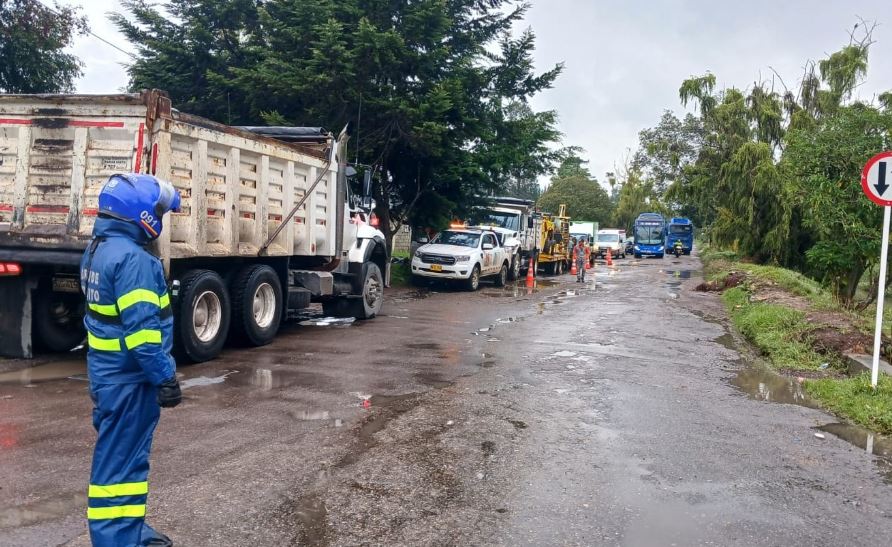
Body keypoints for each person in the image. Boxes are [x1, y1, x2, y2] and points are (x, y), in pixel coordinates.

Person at [80, 174, 183, 547]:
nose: (161, 218)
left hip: (110, 376)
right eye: (158, 211)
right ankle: (116, 539)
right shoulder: (134, 261)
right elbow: (142, 336)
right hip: (130, 380)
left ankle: (130, 530)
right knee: (119, 465)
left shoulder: (99, 247)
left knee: (128, 461)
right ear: (140, 213)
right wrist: (165, 377)